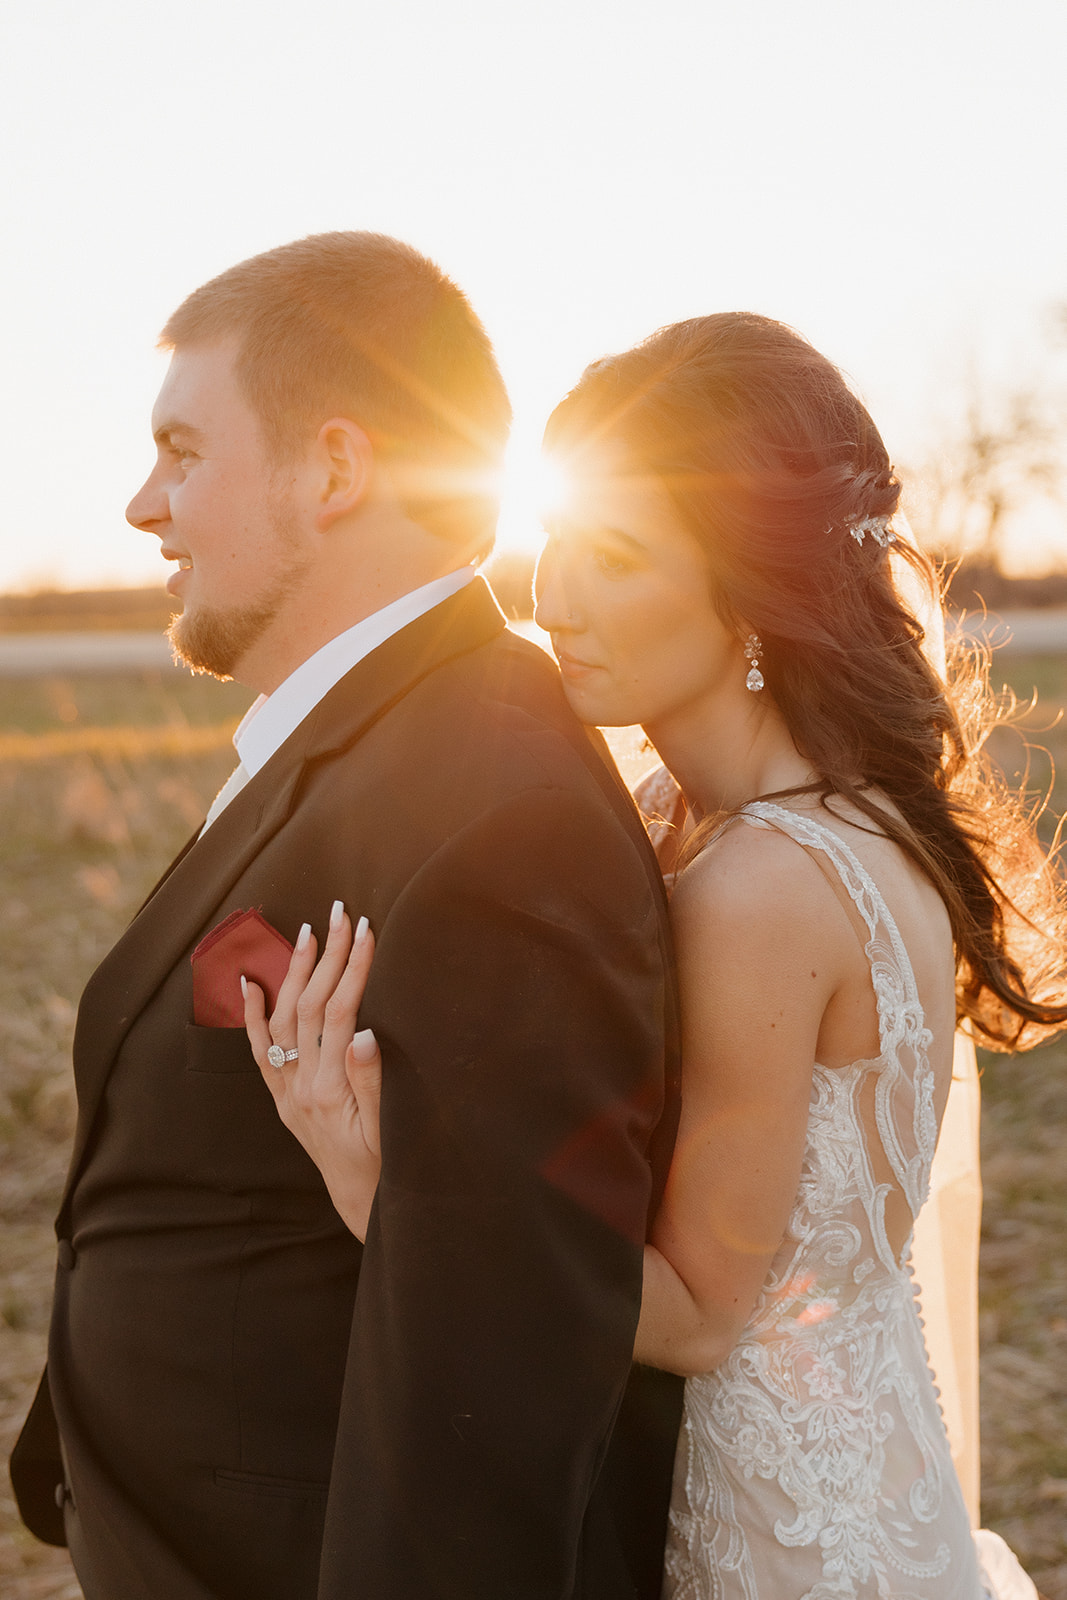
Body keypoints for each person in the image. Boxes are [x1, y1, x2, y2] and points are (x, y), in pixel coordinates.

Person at [257, 313, 1066, 1598]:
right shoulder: (697, 813)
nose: (547, 597)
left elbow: (699, 1312)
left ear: (750, 595)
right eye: (557, 535)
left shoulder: (768, 887)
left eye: (614, 554)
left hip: (783, 1540)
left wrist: (389, 1193)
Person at [10, 232, 685, 1600]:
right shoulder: (368, 737)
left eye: (185, 452)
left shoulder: (496, 805)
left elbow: (501, 1366)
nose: (146, 504)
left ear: (334, 467)